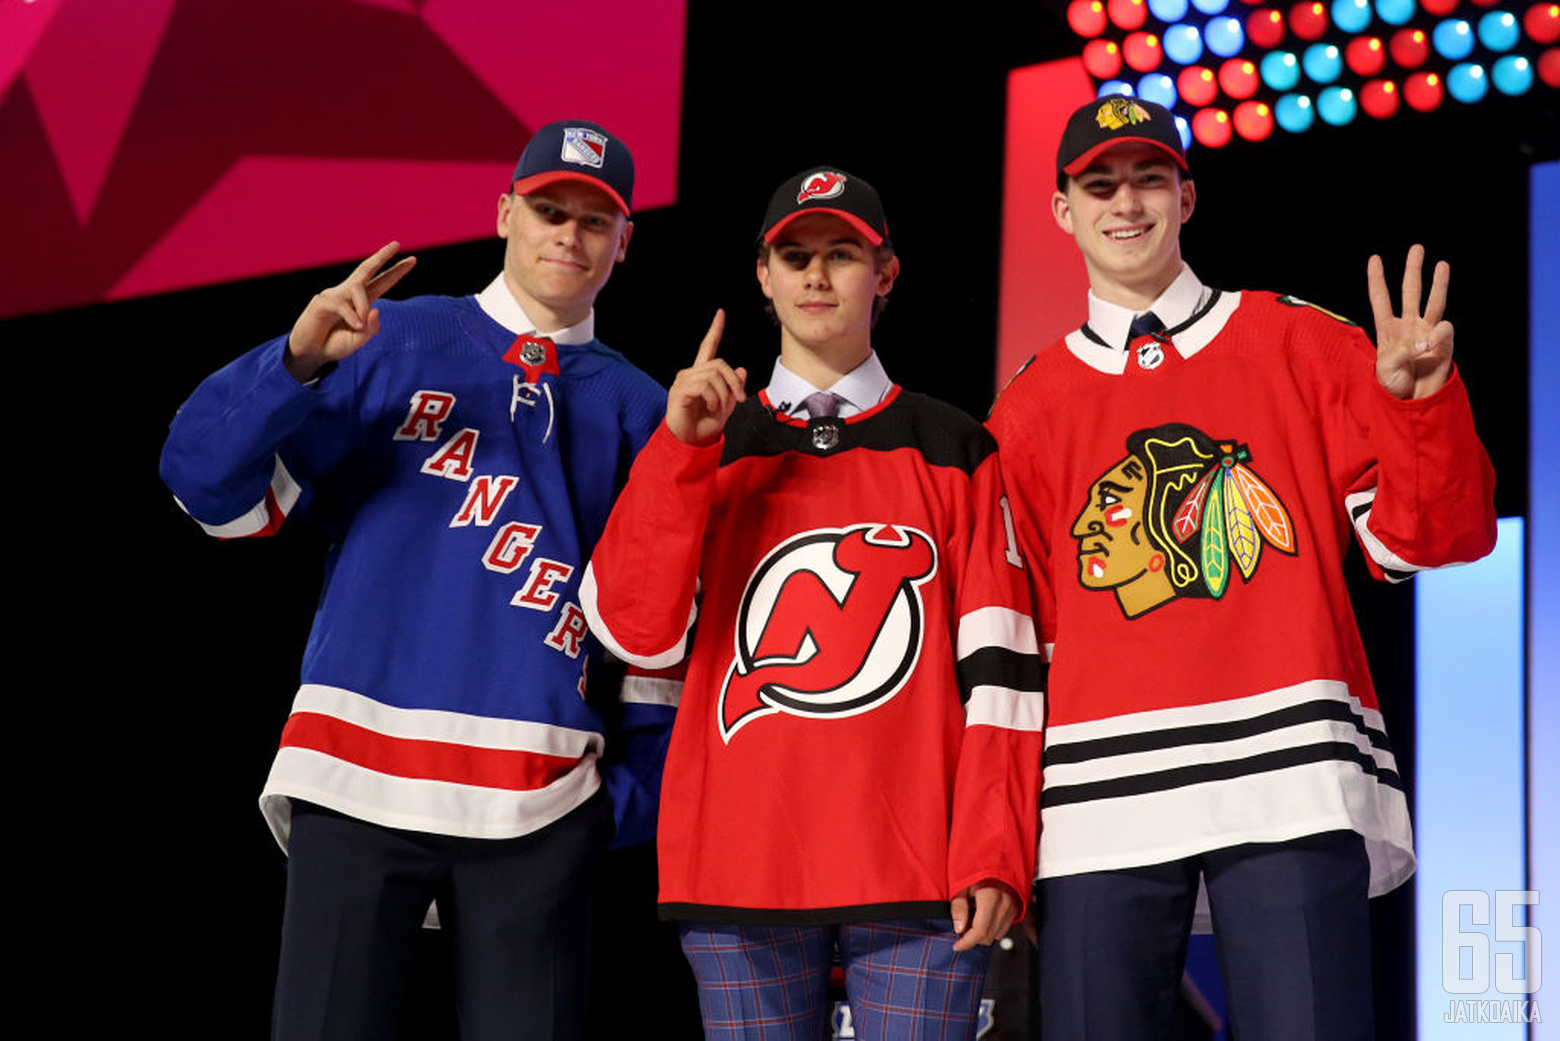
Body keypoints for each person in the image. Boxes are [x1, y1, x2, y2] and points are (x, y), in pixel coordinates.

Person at [987, 96, 1498, 1040]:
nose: (1125, 203)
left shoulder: (1300, 340)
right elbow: (1018, 644)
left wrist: (1423, 408)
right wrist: (996, 837)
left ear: (1188, 193)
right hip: (1101, 795)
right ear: (1063, 211)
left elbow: (1426, 541)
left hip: (1288, 770)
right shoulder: (1025, 410)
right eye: (1099, 185)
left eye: (1147, 178)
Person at [159, 120, 674, 1041]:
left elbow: (661, 624)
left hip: (544, 790)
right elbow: (206, 486)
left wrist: (627, 798)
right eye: (549, 209)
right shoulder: (390, 337)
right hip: (356, 773)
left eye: (595, 221)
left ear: (623, 243)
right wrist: (297, 359)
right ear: (505, 213)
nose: (567, 233)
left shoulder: (643, 408)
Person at [579, 168, 1045, 1040]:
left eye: (841, 254)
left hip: (919, 866)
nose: (817, 276)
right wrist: (681, 454)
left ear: (887, 272)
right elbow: (634, 627)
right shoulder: (704, 442)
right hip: (739, 862)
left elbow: (1005, 676)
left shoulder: (955, 447)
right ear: (764, 275)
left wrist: (996, 843)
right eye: (795, 256)